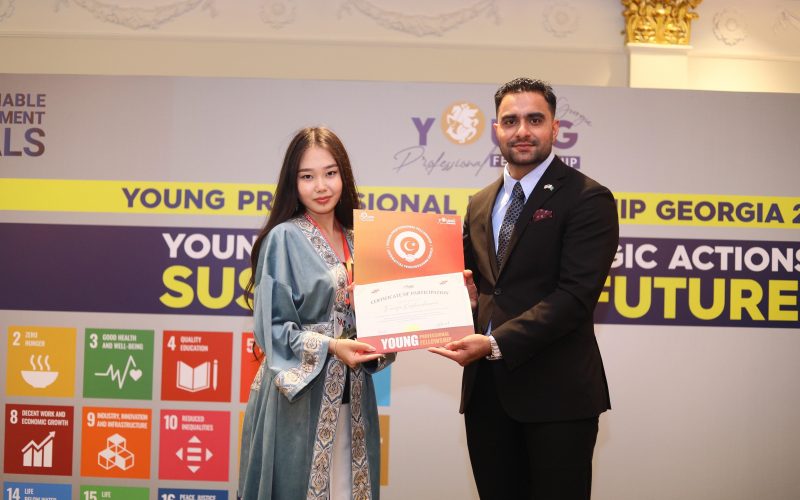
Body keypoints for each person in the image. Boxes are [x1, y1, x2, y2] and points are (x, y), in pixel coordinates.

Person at [430, 78, 619, 499]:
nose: (522, 131)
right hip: (486, 396)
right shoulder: (480, 202)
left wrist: (494, 342)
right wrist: (465, 301)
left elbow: (574, 298)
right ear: (496, 129)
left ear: (555, 128)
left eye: (535, 119)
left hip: (558, 398)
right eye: (511, 120)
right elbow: (479, 285)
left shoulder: (588, 199)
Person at [238, 126, 394, 499]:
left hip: (354, 398)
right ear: (293, 183)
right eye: (307, 176)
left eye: (330, 173)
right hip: (298, 404)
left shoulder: (362, 239)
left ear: (344, 175)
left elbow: (383, 324)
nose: (321, 186)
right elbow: (273, 331)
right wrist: (332, 346)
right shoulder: (284, 238)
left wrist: (384, 323)